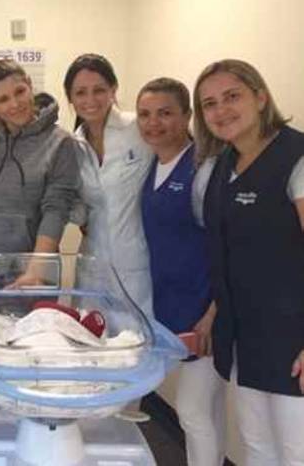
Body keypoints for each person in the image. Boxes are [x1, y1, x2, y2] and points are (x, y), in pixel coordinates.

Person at [193, 59, 304, 466]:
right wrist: (213, 313)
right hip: (243, 334)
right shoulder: (222, 165)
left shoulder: (296, 158)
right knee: (256, 445)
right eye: (209, 104)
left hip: (292, 336)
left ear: (260, 97)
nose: (221, 111)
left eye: (232, 97)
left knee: (297, 451)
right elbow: (232, 253)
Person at [136, 77, 225, 465]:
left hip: (205, 312)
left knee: (192, 410)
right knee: (203, 412)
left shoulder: (203, 169)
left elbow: (228, 249)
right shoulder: (151, 165)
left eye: (166, 113)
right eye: (145, 114)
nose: (154, 123)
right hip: (169, 309)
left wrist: (213, 314)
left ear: (187, 115)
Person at [64, 53, 153, 422]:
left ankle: (126, 434)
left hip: (137, 265)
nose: (90, 99)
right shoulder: (73, 144)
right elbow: (78, 205)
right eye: (80, 92)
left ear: (114, 90)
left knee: (134, 360)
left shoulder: (138, 129)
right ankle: (95, 436)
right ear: (70, 97)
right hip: (92, 267)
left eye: (99, 89)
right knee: (92, 357)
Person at [0, 59, 79, 282]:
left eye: (19, 91)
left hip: (27, 274)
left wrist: (36, 271)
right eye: (3, 99)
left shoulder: (60, 143)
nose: (15, 103)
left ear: (30, 85)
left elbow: (56, 211)